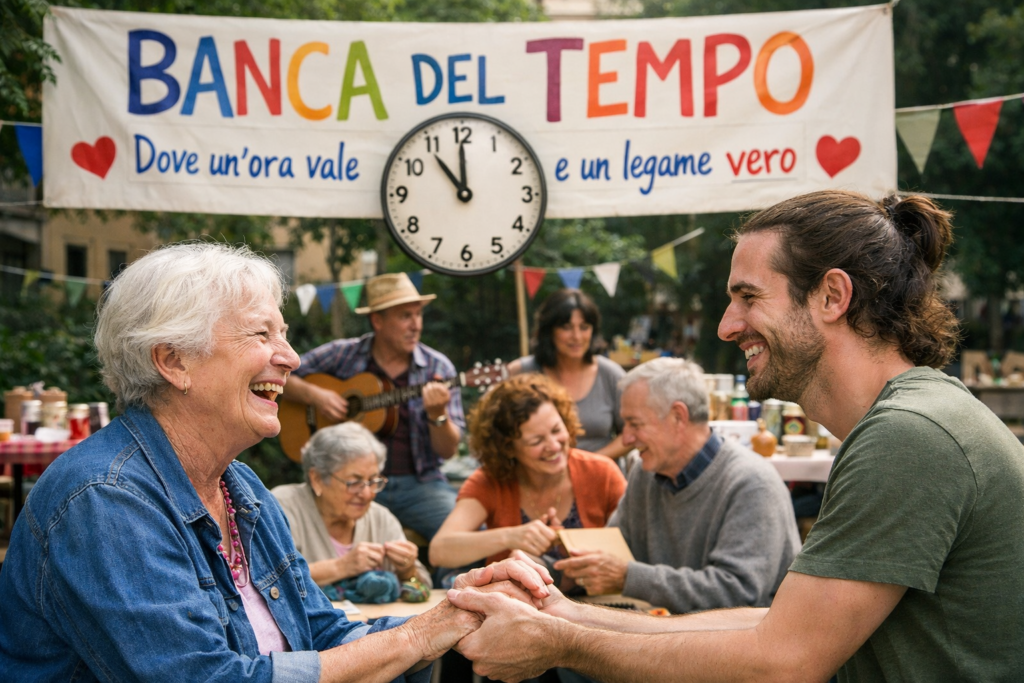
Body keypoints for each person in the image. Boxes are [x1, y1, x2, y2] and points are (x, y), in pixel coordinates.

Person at [445, 191, 1024, 683]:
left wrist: (560, 644)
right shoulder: (907, 421)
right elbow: (773, 626)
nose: (726, 325)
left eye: (748, 297)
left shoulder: (909, 436)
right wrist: (561, 614)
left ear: (832, 296)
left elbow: (782, 662)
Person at [0, 243, 479, 683]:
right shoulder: (105, 500)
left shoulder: (240, 487)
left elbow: (322, 634)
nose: (291, 357)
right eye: (261, 333)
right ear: (174, 361)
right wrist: (418, 637)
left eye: (284, 334)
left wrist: (465, 612)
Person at [554, 357, 800, 613]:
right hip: (671, 633)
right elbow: (617, 549)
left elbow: (739, 593)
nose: (626, 438)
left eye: (635, 424)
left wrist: (629, 578)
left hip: (740, 645)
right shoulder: (646, 473)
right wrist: (567, 553)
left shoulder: (751, 484)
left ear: (678, 417)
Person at [282, 272, 464, 541]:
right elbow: (281, 376)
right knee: (294, 531)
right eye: (405, 316)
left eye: (418, 315)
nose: (416, 325)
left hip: (419, 486)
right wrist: (316, 397)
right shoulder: (343, 354)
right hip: (345, 484)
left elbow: (448, 451)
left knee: (462, 536)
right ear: (377, 320)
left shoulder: (439, 368)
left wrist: (437, 415)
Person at [429, 374, 626, 582]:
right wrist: (512, 536)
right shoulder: (490, 481)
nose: (554, 445)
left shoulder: (601, 472)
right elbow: (439, 550)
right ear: (508, 448)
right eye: (536, 441)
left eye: (557, 430)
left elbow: (634, 545)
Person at [272, 422, 432, 590]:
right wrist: (341, 567)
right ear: (317, 479)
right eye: (354, 482)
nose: (367, 494)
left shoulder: (380, 518)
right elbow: (271, 579)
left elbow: (424, 588)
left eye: (372, 481)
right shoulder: (284, 506)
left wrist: (407, 570)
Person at [508, 289, 629, 459]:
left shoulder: (611, 375)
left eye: (584, 327)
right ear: (549, 330)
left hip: (599, 477)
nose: (577, 336)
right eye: (566, 327)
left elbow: (631, 432)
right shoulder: (520, 373)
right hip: (539, 478)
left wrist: (591, 463)